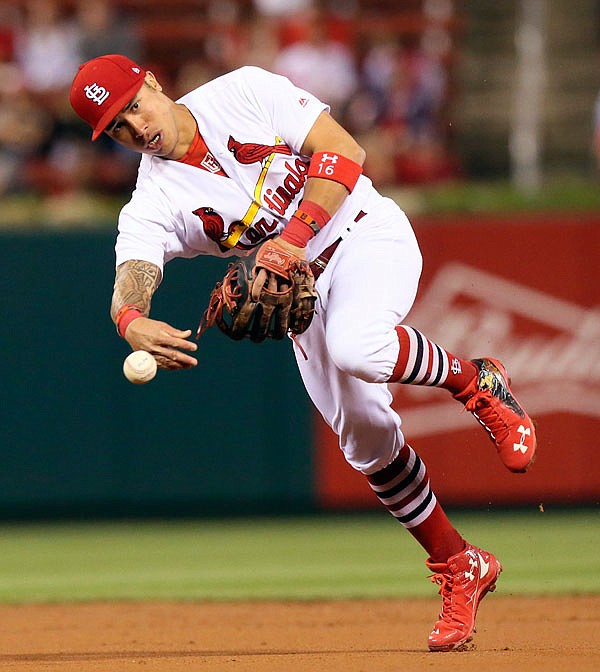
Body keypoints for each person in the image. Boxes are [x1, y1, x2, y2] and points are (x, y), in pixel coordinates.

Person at [69, 54, 537, 652]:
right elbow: (132, 273)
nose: (135, 127)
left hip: (363, 231)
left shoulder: (243, 91)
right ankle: (460, 564)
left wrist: (291, 240)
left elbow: (344, 152)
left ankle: (476, 382)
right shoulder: (152, 201)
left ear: (154, 82)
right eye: (117, 128)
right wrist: (130, 319)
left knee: (357, 345)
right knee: (365, 438)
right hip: (301, 292)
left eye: (133, 105)